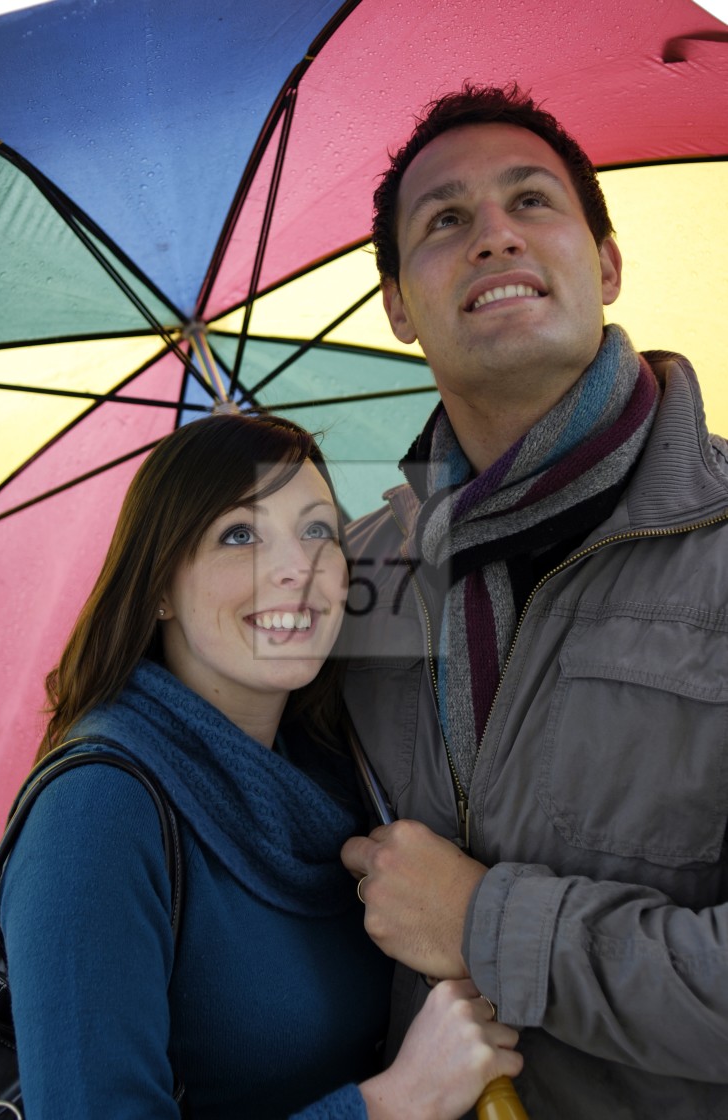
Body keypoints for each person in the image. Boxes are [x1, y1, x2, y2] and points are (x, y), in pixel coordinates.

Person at [339, 83, 728, 1118]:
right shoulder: (351, 579)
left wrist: (482, 924)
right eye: (445, 221)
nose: (493, 237)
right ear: (396, 305)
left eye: (531, 202)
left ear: (602, 263)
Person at [0, 410, 522, 1119]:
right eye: (239, 535)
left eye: (316, 531)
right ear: (156, 590)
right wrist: (394, 1102)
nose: (294, 569)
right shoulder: (95, 812)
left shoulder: (343, 772)